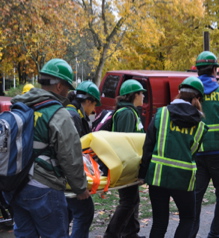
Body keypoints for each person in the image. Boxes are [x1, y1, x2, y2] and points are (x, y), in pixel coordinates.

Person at [2, 58, 90, 237]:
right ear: (59, 86)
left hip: (16, 187)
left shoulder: (20, 107)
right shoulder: (58, 115)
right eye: (67, 87)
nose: (67, 92)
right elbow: (70, 158)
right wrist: (80, 189)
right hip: (45, 189)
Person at [138, 76, 208, 238]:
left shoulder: (161, 114)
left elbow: (148, 146)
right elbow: (194, 152)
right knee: (188, 218)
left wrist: (142, 174)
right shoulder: (200, 126)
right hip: (183, 180)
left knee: (159, 221)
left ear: (179, 94)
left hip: (158, 177)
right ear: (197, 98)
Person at [190, 51, 219, 238]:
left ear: (197, 71)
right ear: (215, 70)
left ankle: (189, 234)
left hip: (196, 153)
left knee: (195, 199)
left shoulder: (191, 95)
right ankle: (216, 234)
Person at [104, 79, 146, 238]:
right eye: (141, 93)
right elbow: (125, 142)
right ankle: (112, 234)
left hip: (129, 164)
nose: (143, 96)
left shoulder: (130, 111)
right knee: (129, 201)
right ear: (134, 95)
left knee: (132, 200)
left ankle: (131, 233)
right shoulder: (127, 113)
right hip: (126, 164)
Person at [66, 81, 101, 238]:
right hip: (70, 175)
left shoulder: (70, 113)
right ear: (88, 101)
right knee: (84, 212)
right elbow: (75, 152)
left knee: (66, 214)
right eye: (94, 105)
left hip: (63, 176)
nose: (94, 110)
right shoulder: (74, 117)